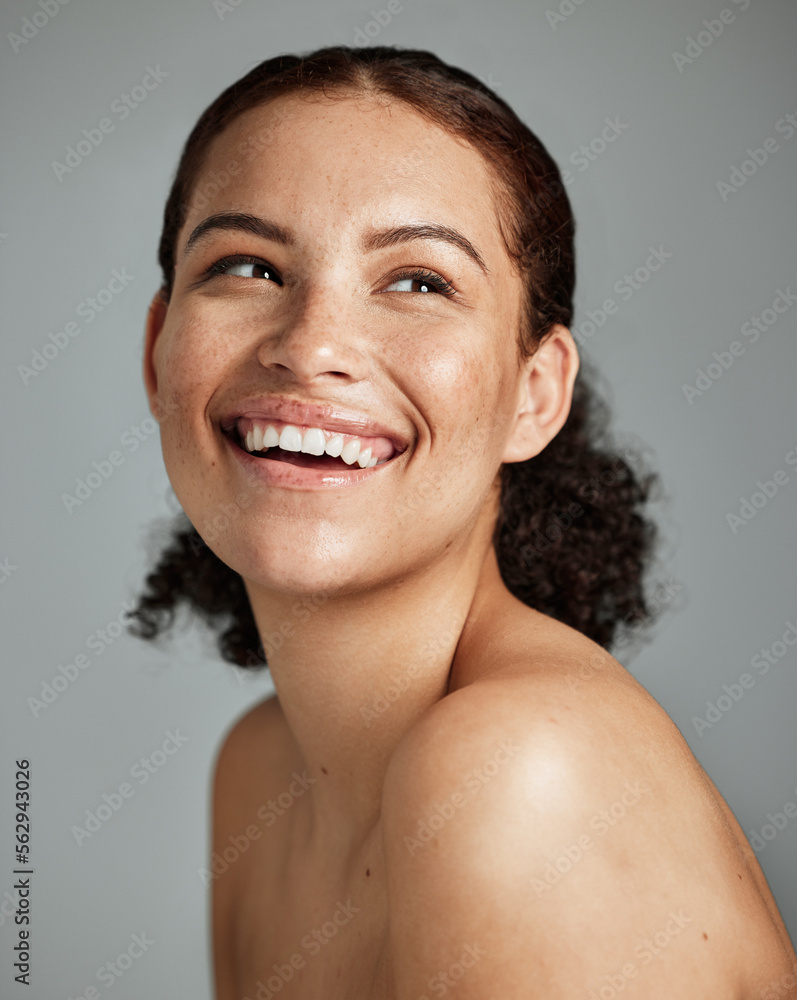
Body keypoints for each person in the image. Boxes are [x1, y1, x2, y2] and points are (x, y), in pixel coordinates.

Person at [127, 44, 797, 999]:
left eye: (419, 282)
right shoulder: (260, 773)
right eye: (249, 266)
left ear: (534, 395)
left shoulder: (522, 777)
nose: (312, 346)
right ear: (158, 353)